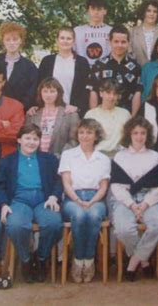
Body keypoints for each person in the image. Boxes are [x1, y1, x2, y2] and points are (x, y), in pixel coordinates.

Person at [0, 124, 63, 283]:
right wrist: (3, 204)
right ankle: (25, 260)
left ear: (40, 141)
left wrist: (54, 196)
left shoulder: (49, 159)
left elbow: (58, 182)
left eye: (35, 139)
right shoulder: (7, 161)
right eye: (27, 138)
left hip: (43, 199)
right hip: (19, 200)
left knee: (53, 223)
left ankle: (41, 258)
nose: (31, 142)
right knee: (16, 225)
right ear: (19, 140)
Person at [110, 116, 158, 281]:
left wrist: (143, 205)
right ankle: (144, 261)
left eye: (143, 133)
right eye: (135, 133)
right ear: (129, 134)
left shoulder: (154, 156)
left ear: (148, 135)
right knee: (123, 229)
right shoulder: (119, 156)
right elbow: (116, 187)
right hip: (125, 199)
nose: (139, 137)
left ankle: (133, 262)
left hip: (149, 198)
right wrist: (132, 205)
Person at [59, 119, 110, 283]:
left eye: (89, 132)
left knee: (94, 216)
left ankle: (89, 261)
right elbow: (66, 182)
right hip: (73, 198)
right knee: (80, 216)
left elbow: (103, 186)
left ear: (96, 136)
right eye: (81, 132)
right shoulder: (68, 154)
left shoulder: (103, 158)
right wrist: (77, 199)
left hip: (97, 198)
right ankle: (78, 259)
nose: (85, 136)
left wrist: (92, 201)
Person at [88, 24, 142, 115]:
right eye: (116, 41)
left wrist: (132, 119)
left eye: (123, 42)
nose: (119, 45)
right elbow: (93, 91)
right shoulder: (99, 65)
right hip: (102, 115)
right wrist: (94, 116)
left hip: (126, 115)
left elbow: (137, 93)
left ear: (128, 43)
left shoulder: (135, 67)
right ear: (110, 42)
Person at [37, 26, 90, 117]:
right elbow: (39, 85)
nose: (65, 41)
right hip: (49, 110)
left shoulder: (82, 63)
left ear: (73, 42)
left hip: (71, 111)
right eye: (62, 38)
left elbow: (86, 89)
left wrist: (78, 107)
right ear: (57, 41)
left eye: (68, 38)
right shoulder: (47, 61)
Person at [0, 22, 38, 110]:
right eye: (8, 39)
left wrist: (16, 109)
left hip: (18, 113)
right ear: (3, 41)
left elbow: (31, 93)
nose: (11, 43)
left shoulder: (29, 67)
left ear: (21, 40)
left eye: (15, 39)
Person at [26, 78, 79, 159]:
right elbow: (26, 138)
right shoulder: (32, 114)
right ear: (40, 93)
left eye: (52, 91)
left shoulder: (70, 114)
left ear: (58, 93)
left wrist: (61, 157)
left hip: (59, 160)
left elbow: (74, 141)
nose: (48, 95)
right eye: (45, 91)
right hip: (35, 159)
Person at [85, 79, 131, 157]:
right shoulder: (91, 114)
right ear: (101, 93)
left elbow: (130, 137)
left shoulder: (125, 114)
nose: (111, 97)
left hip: (119, 156)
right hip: (97, 155)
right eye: (108, 93)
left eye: (115, 94)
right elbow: (85, 139)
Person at [74, 0, 112, 65]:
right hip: (83, 71)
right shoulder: (77, 31)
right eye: (93, 9)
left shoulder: (111, 31)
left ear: (105, 11)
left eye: (99, 9)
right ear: (88, 10)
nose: (96, 12)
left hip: (105, 71)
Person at [130, 0, 158, 66]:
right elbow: (129, 54)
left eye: (155, 11)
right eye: (148, 11)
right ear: (143, 12)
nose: (152, 14)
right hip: (137, 72)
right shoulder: (132, 32)